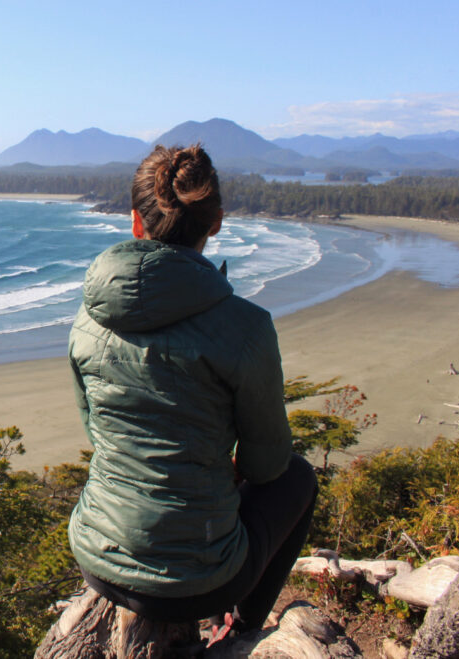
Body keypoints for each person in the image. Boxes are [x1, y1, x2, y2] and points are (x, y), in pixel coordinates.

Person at [67, 144, 317, 637]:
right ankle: (241, 627)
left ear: (136, 223)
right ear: (217, 221)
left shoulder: (87, 318)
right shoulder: (245, 327)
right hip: (201, 583)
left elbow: (99, 432)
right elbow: (267, 465)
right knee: (298, 479)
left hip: (96, 557)